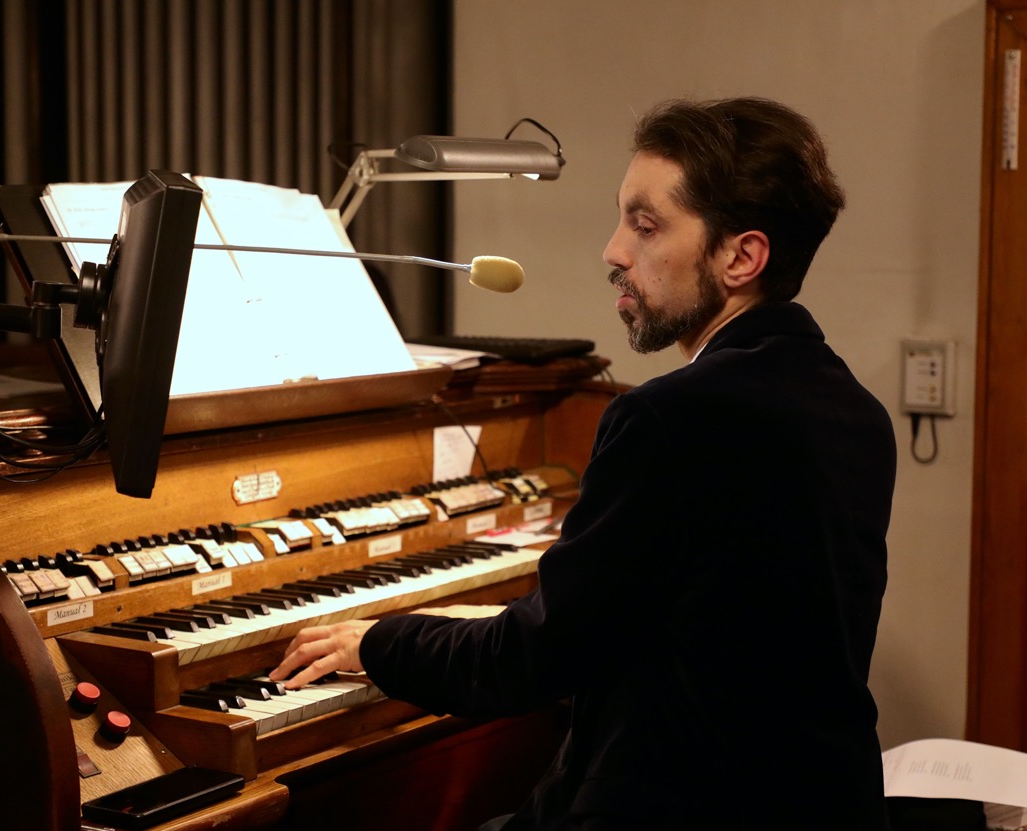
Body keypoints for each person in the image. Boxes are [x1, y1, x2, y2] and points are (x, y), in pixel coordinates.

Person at [270, 97, 897, 829]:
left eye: (645, 225)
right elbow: (694, 617)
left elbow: (530, 662)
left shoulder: (670, 418)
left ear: (741, 256)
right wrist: (487, 614)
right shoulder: (854, 412)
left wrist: (381, 641)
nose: (614, 252)